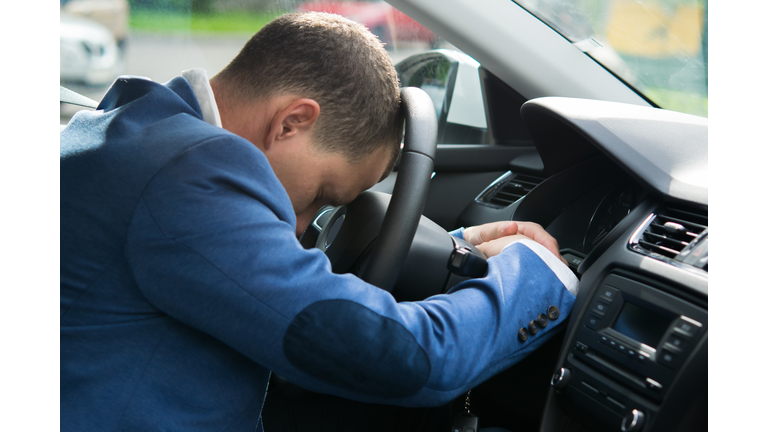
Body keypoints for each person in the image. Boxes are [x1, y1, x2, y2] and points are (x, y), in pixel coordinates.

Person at [60, 12, 578, 432]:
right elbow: (403, 359)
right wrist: (533, 274)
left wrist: (456, 254)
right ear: (293, 121)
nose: (300, 227)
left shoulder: (136, 131)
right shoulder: (191, 174)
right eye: (323, 195)